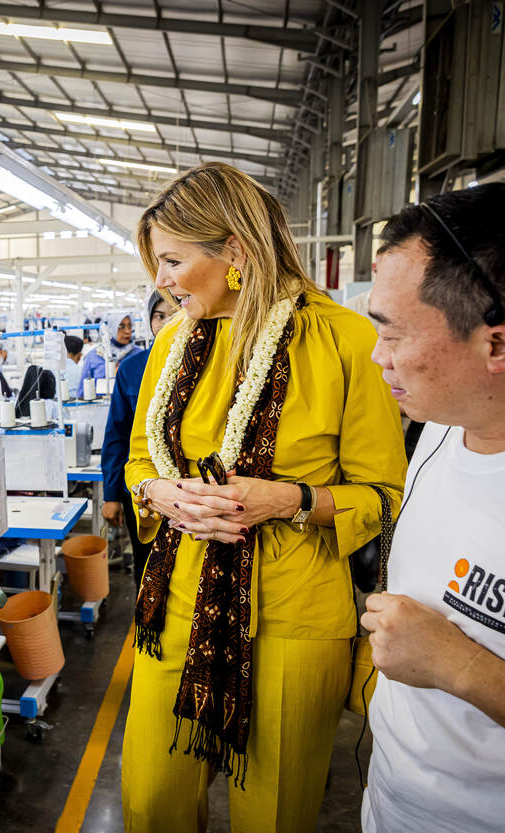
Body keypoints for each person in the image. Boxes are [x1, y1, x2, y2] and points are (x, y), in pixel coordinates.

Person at [122, 163, 406, 832]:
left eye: (172, 260)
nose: (159, 280)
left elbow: (386, 496)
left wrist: (288, 501)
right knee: (148, 800)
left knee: (273, 816)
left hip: (293, 619)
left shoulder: (345, 341)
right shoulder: (171, 344)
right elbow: (139, 460)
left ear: (236, 250)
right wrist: (161, 493)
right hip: (178, 604)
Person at [360, 183, 505, 831]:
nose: (377, 357)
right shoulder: (443, 421)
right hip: (389, 803)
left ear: (500, 347)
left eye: (394, 334)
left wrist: (458, 665)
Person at [102, 291, 169, 586]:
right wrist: (111, 495)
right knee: (146, 564)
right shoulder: (131, 369)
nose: (166, 323)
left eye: (175, 313)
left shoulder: (211, 362)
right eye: (159, 316)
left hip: (191, 491)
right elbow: (117, 434)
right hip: (144, 489)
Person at [80, 312, 141, 383]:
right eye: (121, 327)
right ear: (110, 329)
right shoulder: (93, 356)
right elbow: (83, 388)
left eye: (129, 326)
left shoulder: (139, 354)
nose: (127, 331)